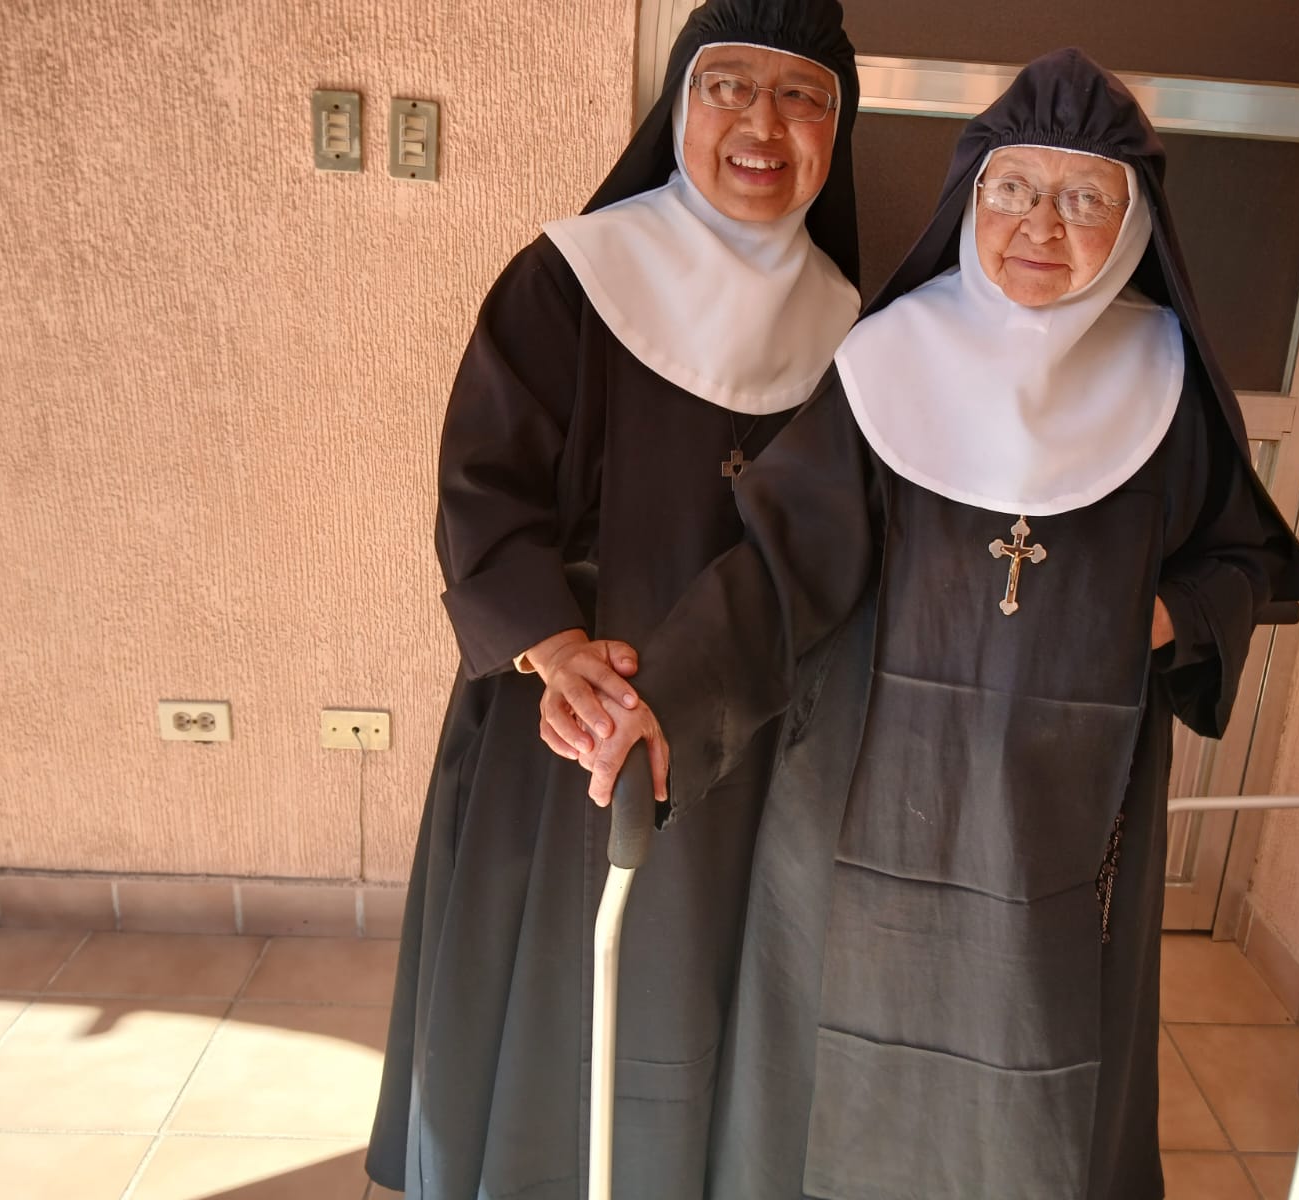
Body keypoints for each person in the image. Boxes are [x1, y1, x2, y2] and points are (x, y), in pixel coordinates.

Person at [562, 48, 1299, 1199]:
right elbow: (778, 575)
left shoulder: (1163, 382)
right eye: (1014, 189)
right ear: (972, 199)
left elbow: (1245, 560)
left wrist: (1164, 620)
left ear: (1131, 224)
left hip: (1066, 814)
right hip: (864, 786)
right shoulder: (887, 361)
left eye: (1082, 199)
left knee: (1033, 1059)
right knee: (836, 1042)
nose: (1039, 226)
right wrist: (664, 697)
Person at [365, 3, 862, 1197]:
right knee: (545, 986)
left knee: (694, 987)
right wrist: (554, 651)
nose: (761, 126)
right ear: (678, 105)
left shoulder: (857, 335)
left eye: (800, 97)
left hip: (744, 738)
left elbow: (832, 546)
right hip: (563, 719)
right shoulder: (571, 276)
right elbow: (482, 479)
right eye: (728, 87)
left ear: (838, 130)